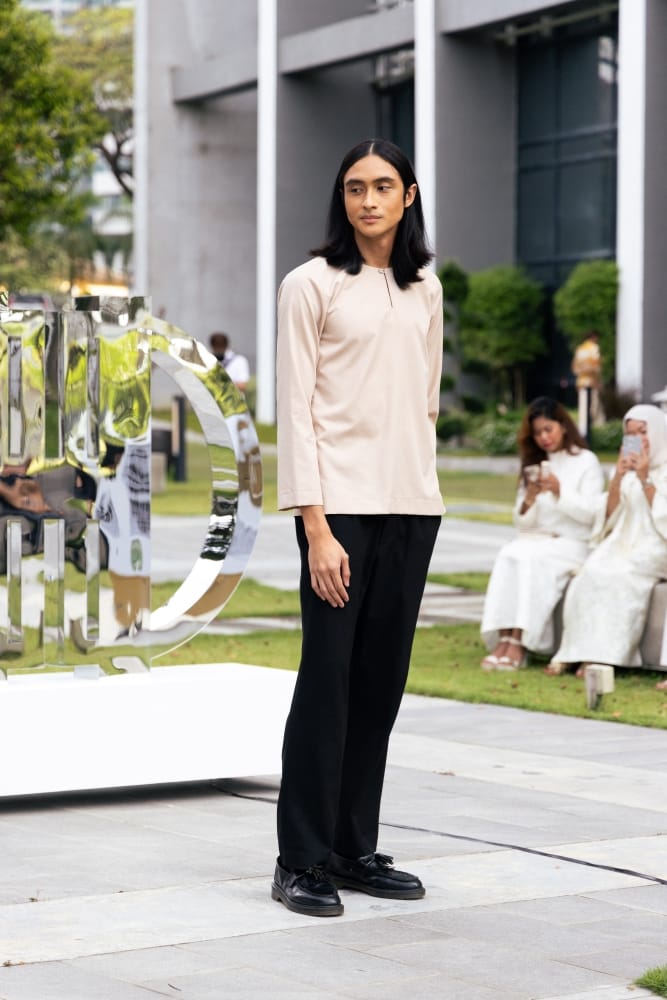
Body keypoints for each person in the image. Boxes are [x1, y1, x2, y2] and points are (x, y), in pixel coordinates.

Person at [272, 138, 444, 917]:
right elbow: (295, 409)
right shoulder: (310, 284)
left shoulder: (425, 288)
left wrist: (423, 490)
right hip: (336, 510)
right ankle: (300, 859)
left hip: (412, 507)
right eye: (353, 188)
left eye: (381, 186)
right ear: (340, 199)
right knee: (328, 682)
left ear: (408, 196)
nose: (367, 200)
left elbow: (425, 402)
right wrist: (315, 526)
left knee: (379, 686)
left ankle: (351, 848)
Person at [480, 397, 604, 671]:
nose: (544, 438)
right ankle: (504, 639)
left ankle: (520, 642)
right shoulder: (535, 464)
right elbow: (521, 522)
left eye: (548, 429)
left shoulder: (586, 461)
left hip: (572, 542)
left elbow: (592, 514)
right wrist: (530, 498)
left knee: (531, 559)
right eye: (537, 433)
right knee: (509, 553)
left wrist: (560, 491)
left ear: (563, 425)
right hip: (534, 539)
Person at [550, 404, 667, 682]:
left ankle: (606, 657)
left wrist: (645, 479)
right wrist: (618, 477)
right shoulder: (628, 469)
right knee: (591, 572)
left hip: (656, 545)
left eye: (643, 432)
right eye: (631, 434)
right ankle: (577, 652)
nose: (638, 439)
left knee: (620, 576)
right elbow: (610, 514)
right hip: (622, 541)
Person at [571, 330, 603, 438]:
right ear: (594, 337)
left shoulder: (580, 349)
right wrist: (598, 381)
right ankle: (595, 434)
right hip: (591, 382)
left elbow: (575, 368)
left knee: (583, 409)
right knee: (594, 408)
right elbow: (596, 368)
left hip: (581, 383)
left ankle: (583, 432)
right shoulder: (594, 348)